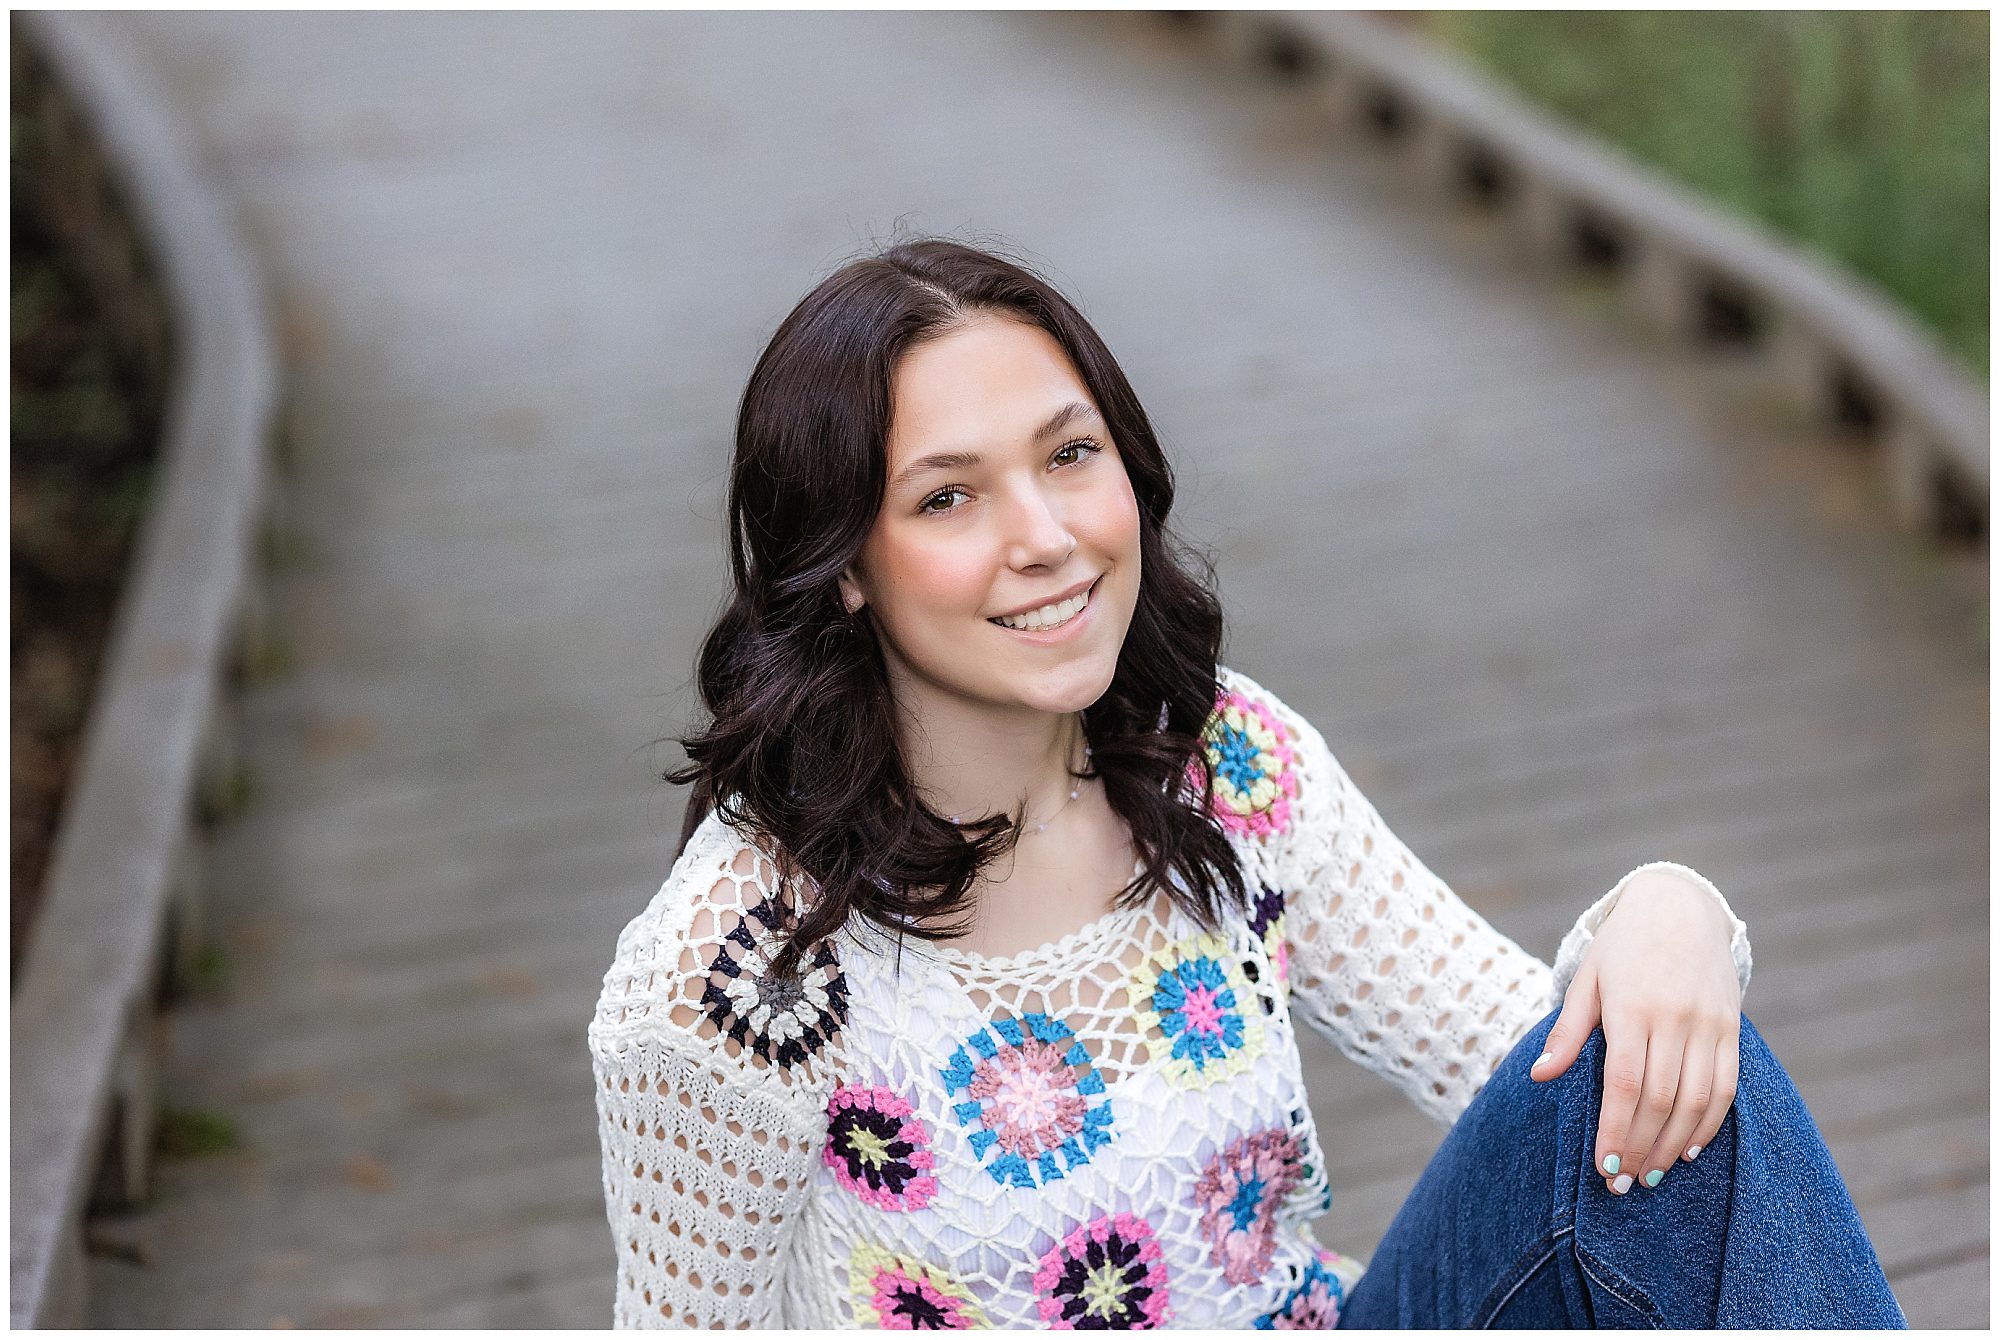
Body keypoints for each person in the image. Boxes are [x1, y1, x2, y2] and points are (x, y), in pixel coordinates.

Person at [587, 237, 1905, 1329]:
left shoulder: (1218, 767)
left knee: (1679, 1075)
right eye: (947, 498)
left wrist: (1672, 913)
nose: (1045, 540)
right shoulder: (727, 977)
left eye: (1068, 455)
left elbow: (1539, 1074)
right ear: (847, 563)